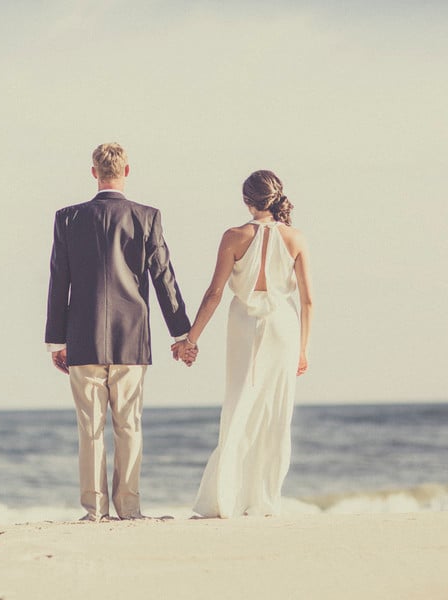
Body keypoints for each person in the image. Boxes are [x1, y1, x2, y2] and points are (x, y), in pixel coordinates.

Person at [45, 143, 194, 522]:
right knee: (129, 425)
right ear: (128, 170)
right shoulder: (146, 217)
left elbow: (58, 280)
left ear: (94, 172)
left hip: (83, 335)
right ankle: (129, 508)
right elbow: (163, 278)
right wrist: (182, 334)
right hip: (131, 338)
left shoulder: (68, 219)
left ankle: (94, 510)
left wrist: (56, 340)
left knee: (90, 427)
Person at [172, 169, 313, 518]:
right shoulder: (296, 238)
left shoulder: (233, 236)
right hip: (284, 326)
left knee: (238, 405)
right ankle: (263, 499)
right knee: (275, 412)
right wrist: (303, 349)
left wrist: (191, 339)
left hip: (244, 323)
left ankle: (225, 497)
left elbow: (214, 293)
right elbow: (308, 301)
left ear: (246, 200)